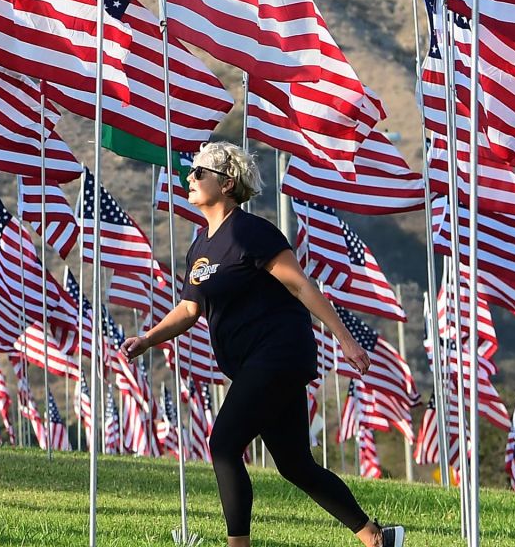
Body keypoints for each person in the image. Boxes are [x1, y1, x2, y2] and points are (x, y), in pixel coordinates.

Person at [125, 142, 402, 547]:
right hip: (258, 362)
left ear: (227, 183)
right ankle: (375, 537)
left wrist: (344, 339)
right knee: (294, 463)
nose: (190, 178)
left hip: (277, 354)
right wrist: (148, 339)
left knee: (223, 443)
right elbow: (188, 309)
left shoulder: (251, 231)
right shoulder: (201, 245)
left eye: (199, 172)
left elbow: (299, 283)